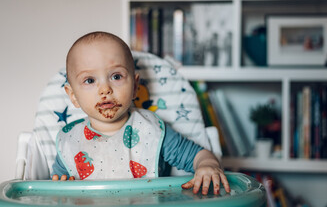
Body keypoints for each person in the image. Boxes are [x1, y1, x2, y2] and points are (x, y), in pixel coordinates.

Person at [51, 31, 230, 195]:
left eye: (116, 76)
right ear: (73, 96)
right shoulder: (70, 141)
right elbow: (55, 189)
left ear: (135, 86)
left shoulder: (151, 130)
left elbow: (198, 155)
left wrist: (207, 165)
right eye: (90, 80)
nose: (105, 89)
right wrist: (62, 187)